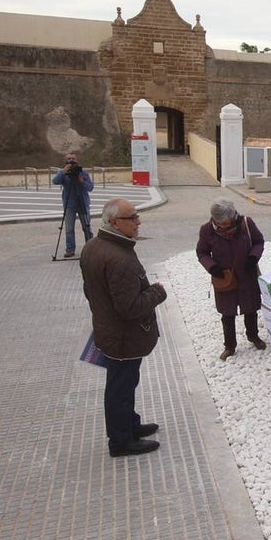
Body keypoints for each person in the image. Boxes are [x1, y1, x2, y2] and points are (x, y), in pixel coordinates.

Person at [80, 198, 167, 458]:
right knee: (121, 387)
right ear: (115, 222)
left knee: (124, 383)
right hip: (123, 337)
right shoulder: (119, 258)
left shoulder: (94, 246)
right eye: (132, 218)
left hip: (110, 330)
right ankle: (121, 441)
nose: (138, 222)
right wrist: (157, 292)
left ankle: (129, 424)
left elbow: (90, 291)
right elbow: (130, 307)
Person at [196, 198, 267, 360]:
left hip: (246, 274)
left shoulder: (246, 224)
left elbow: (258, 241)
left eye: (227, 223)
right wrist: (212, 267)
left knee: (250, 308)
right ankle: (229, 345)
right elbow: (202, 252)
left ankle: (253, 336)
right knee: (227, 313)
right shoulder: (207, 230)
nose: (224, 227)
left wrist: (253, 257)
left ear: (234, 216)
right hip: (224, 277)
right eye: (220, 224)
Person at [52, 152, 94, 258]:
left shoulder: (83, 172)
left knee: (86, 226)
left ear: (77, 160)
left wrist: (82, 181)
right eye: (69, 159)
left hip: (83, 202)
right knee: (69, 228)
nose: (71, 161)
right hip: (69, 203)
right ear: (65, 160)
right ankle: (70, 249)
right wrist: (63, 172)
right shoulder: (63, 172)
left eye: (73, 159)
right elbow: (55, 181)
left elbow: (90, 187)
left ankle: (90, 248)